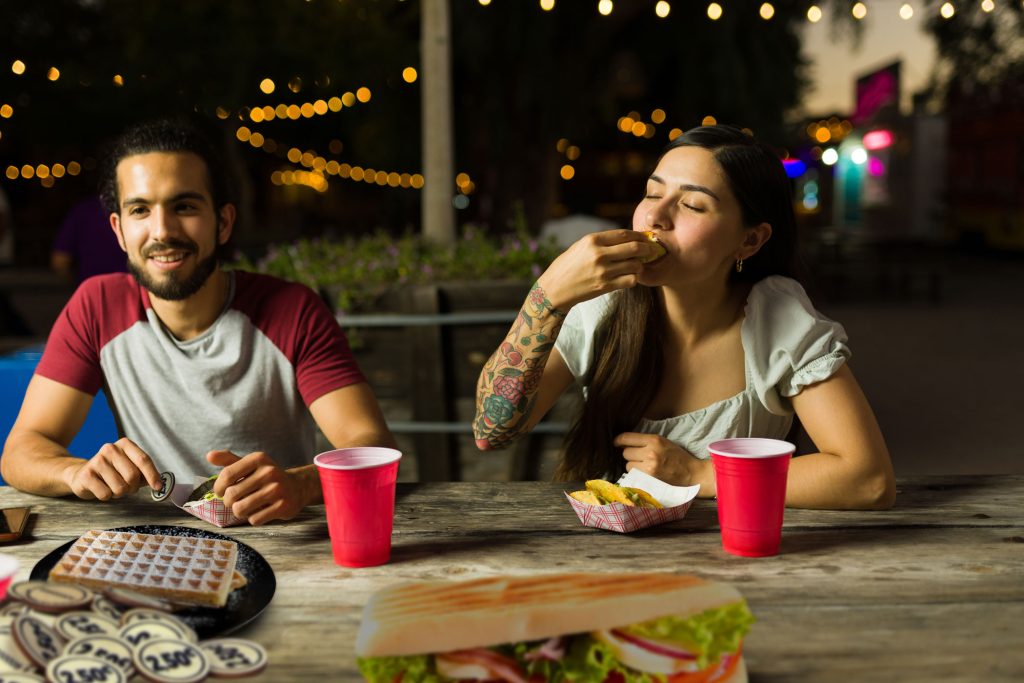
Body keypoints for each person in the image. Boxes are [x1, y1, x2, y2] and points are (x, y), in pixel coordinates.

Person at [474, 124, 895, 510]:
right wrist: (545, 300)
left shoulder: (777, 318)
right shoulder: (600, 305)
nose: (656, 217)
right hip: (605, 552)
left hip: (742, 551)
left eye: (692, 204)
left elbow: (869, 479)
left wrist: (699, 475)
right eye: (653, 193)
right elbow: (491, 432)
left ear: (750, 240)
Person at [1, 117, 397, 525]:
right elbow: (22, 450)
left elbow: (373, 446)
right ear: (119, 231)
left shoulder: (293, 309)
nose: (163, 231)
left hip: (282, 536)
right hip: (156, 542)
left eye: (184, 207)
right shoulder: (95, 306)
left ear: (223, 222)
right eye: (140, 209)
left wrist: (301, 484)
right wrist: (75, 472)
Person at [51, 195, 128, 284]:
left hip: (92, 289)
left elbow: (59, 261)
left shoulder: (83, 211)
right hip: (135, 290)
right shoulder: (84, 212)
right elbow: (60, 260)